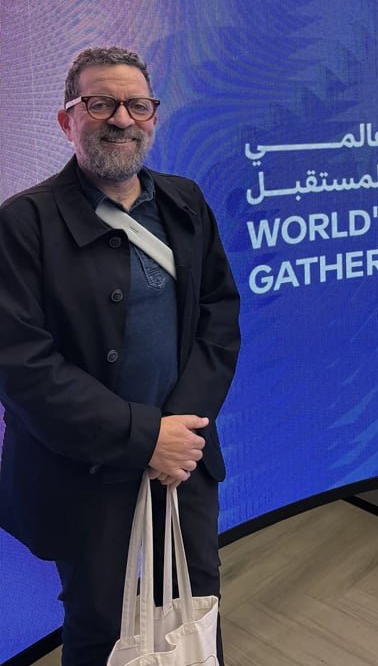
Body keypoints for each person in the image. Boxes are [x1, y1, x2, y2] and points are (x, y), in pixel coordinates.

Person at [0, 46, 241, 665]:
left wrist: (177, 432)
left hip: (183, 462)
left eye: (137, 104)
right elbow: (21, 364)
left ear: (153, 117)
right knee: (101, 625)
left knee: (193, 611)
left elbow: (219, 316)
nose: (121, 118)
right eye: (100, 103)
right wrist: (142, 438)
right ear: (67, 119)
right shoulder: (23, 224)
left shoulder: (185, 203)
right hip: (84, 473)